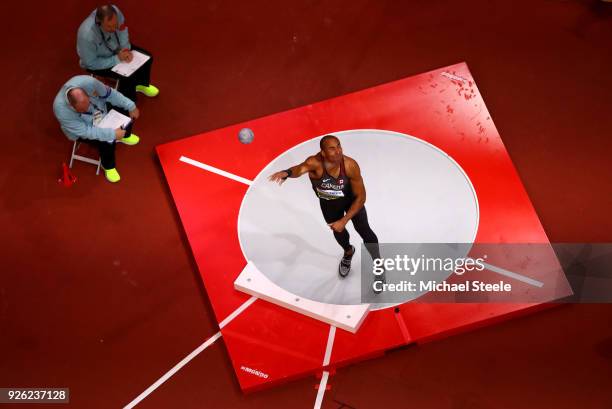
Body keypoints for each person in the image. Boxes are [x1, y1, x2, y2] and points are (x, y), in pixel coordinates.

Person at [269, 135, 385, 291]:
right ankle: (348, 253)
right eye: (332, 148)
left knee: (365, 231)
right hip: (329, 204)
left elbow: (361, 197)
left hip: (352, 201)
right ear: (323, 153)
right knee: (338, 232)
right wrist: (287, 173)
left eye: (339, 146)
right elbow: (300, 169)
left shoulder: (350, 165)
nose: (338, 151)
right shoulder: (314, 163)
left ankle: (378, 264)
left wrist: (345, 219)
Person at [53, 75, 140, 183]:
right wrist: (112, 134)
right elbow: (87, 132)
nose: (86, 108)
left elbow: (111, 94)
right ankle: (108, 166)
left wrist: (130, 106)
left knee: (122, 107)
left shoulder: (89, 82)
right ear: (71, 107)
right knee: (105, 139)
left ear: (86, 94)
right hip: (83, 129)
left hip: (99, 112)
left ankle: (124, 135)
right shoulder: (61, 110)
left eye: (87, 103)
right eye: (82, 109)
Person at [77, 4, 159, 103]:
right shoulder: (86, 35)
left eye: (115, 25)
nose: (113, 29)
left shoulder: (115, 12)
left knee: (147, 57)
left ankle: (140, 85)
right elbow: (90, 63)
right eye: (109, 26)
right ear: (99, 22)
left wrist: (125, 49)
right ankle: (127, 104)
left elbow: (122, 30)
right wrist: (117, 59)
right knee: (127, 77)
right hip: (99, 61)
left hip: (117, 48)